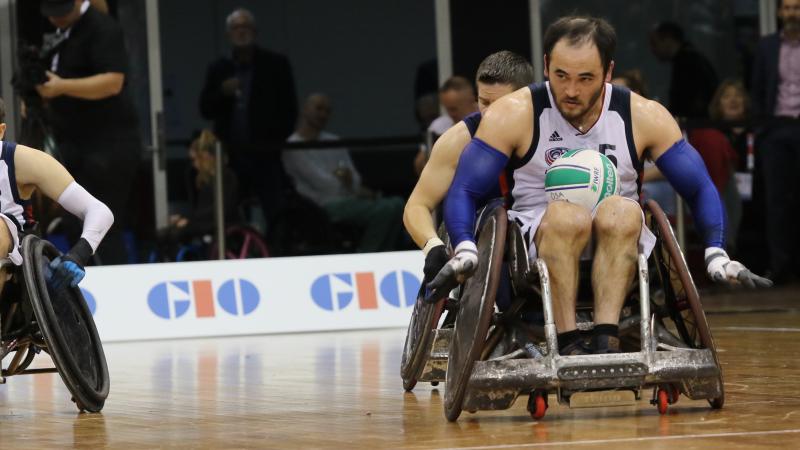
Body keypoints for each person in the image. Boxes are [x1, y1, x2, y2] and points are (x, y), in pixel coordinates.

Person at [436, 16, 770, 356]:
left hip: (619, 232)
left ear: (607, 72)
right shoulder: (514, 113)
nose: (570, 90)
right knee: (567, 217)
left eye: (585, 79)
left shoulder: (643, 115)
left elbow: (699, 186)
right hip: (539, 234)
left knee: (622, 211)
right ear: (547, 64)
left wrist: (716, 252)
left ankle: (605, 335)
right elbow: (465, 188)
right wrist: (464, 247)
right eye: (561, 75)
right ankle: (566, 340)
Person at [404, 50, 534, 289]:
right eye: (484, 102)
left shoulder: (549, 130)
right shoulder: (457, 139)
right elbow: (417, 205)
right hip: (483, 243)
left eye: (501, 104)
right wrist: (432, 246)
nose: (490, 113)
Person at [36, 0, 141, 265]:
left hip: (108, 147)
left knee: (104, 226)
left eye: (61, 13)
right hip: (74, 145)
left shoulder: (102, 27)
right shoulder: (63, 32)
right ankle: (77, 292)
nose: (55, 19)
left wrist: (61, 87)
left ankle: (117, 290)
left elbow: (113, 82)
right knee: (73, 225)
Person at [199, 8, 297, 254]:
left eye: (246, 27)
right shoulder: (219, 68)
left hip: (266, 151)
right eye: (236, 28)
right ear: (228, 34)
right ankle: (235, 253)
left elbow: (289, 109)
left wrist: (275, 141)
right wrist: (222, 92)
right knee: (228, 210)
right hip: (230, 155)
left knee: (276, 208)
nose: (241, 32)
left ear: (255, 32)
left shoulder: (275, 64)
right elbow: (205, 109)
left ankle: (279, 255)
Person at [0, 97, 113, 292]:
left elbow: (98, 211)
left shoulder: (22, 160)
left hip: (15, 264)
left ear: (0, 131)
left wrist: (79, 254)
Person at [283, 94, 404, 253]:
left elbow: (354, 177)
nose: (323, 114)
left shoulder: (333, 139)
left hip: (350, 199)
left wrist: (348, 182)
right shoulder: (293, 146)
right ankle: (368, 254)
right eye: (318, 108)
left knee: (398, 204)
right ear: (305, 110)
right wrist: (347, 183)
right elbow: (324, 185)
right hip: (321, 206)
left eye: (327, 111)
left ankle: (387, 253)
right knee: (385, 210)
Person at [752, 0, 800, 284]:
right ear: (780, 12)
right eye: (788, 8)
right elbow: (757, 87)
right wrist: (762, 128)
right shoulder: (767, 46)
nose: (792, 13)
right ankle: (780, 266)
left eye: (797, 7)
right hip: (777, 130)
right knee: (777, 202)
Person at [688, 80, 750, 252]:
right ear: (718, 103)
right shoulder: (709, 136)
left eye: (738, 96)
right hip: (722, 191)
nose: (733, 100)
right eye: (727, 96)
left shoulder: (758, 132)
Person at [158, 130, 239, 256]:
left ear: (205, 156)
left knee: (177, 233)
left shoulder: (226, 177)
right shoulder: (205, 180)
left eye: (194, 159)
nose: (193, 164)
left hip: (220, 222)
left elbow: (221, 209)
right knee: (164, 233)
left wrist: (189, 221)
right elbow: (202, 210)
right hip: (205, 221)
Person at [611, 70, 677, 216]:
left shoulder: (655, 120)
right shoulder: (603, 124)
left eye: (618, 91)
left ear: (635, 93)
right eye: (609, 90)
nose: (612, 97)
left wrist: (626, 177)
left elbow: (669, 167)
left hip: (650, 189)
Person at [649, 21, 719, 119]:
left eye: (654, 43)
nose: (652, 49)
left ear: (668, 39)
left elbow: (687, 100)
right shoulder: (689, 59)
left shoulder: (688, 61)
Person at [414, 76, 480, 175]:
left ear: (471, 100)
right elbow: (419, 164)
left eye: (454, 109)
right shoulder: (439, 126)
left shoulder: (487, 119)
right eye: (447, 109)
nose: (451, 114)